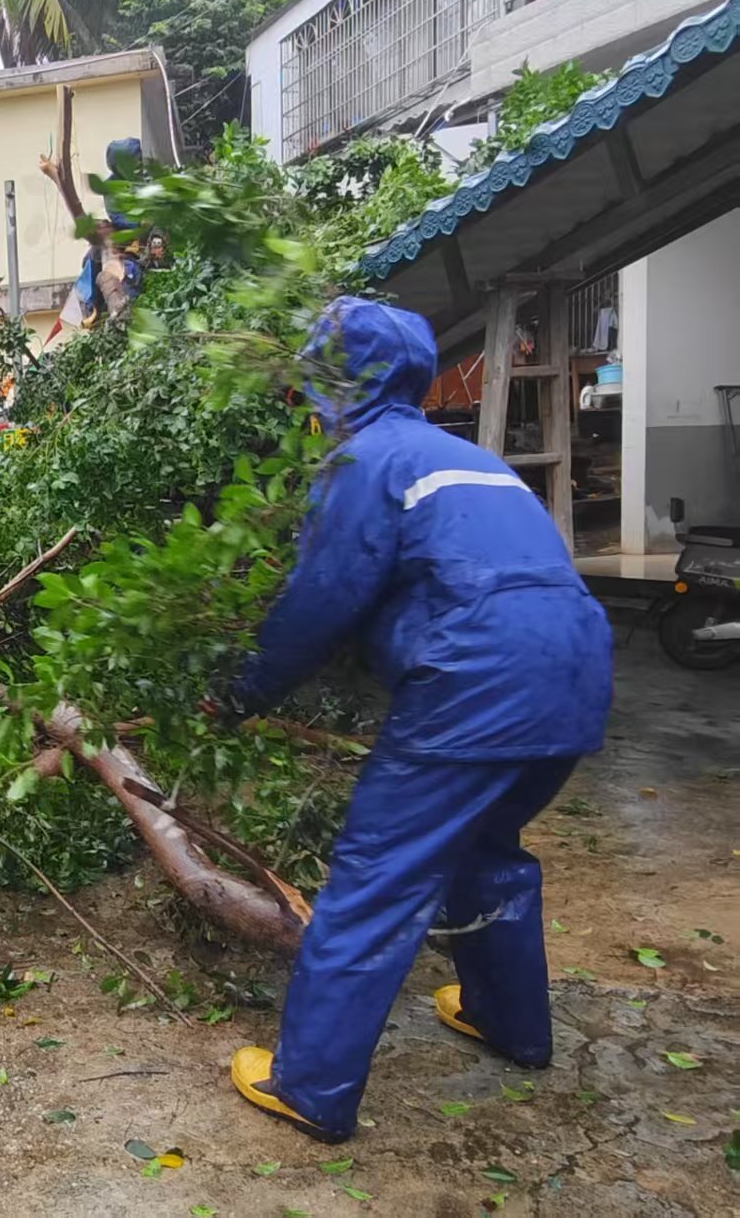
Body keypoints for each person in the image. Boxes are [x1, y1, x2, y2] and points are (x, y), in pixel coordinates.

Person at [216, 296, 613, 1143]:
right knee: (485, 847)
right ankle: (512, 1022)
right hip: (577, 670)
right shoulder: (466, 455)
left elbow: (319, 603)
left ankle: (311, 1083)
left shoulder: (364, 461)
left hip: (478, 682)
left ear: (334, 384)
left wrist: (239, 693)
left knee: (376, 875)